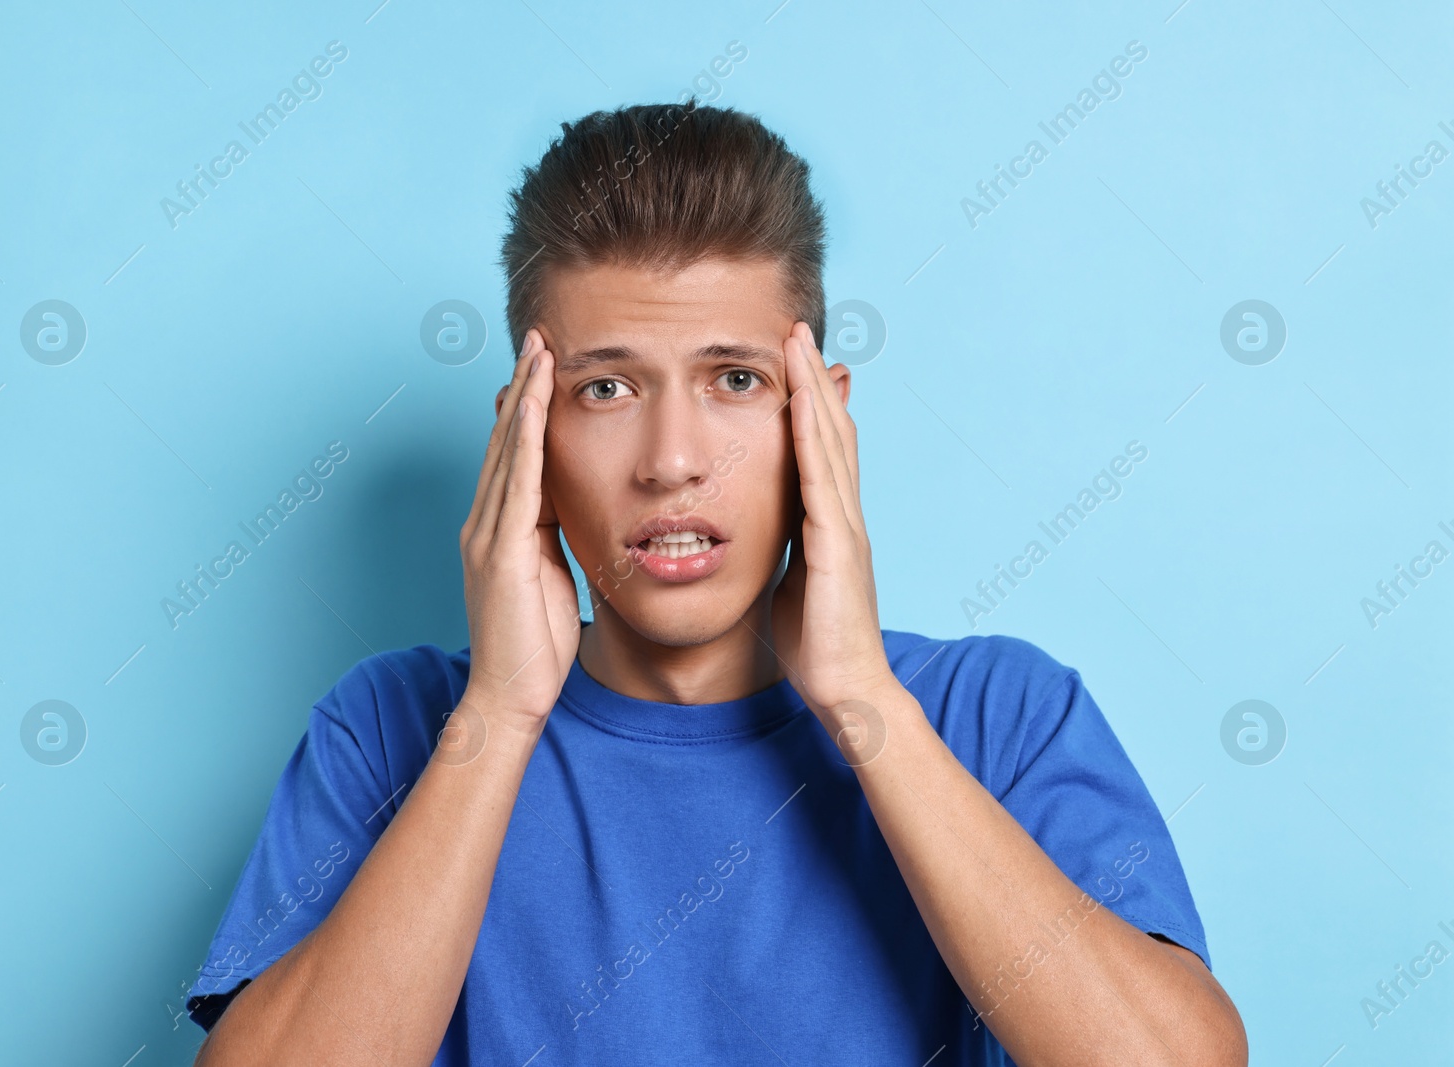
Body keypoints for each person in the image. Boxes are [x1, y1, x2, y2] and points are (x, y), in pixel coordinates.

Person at [185, 101, 1247, 1066]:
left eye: (734, 380)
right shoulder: (394, 727)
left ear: (818, 421)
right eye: (606, 388)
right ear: (525, 432)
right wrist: (501, 713)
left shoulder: (997, 716)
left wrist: (864, 700)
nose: (673, 459)